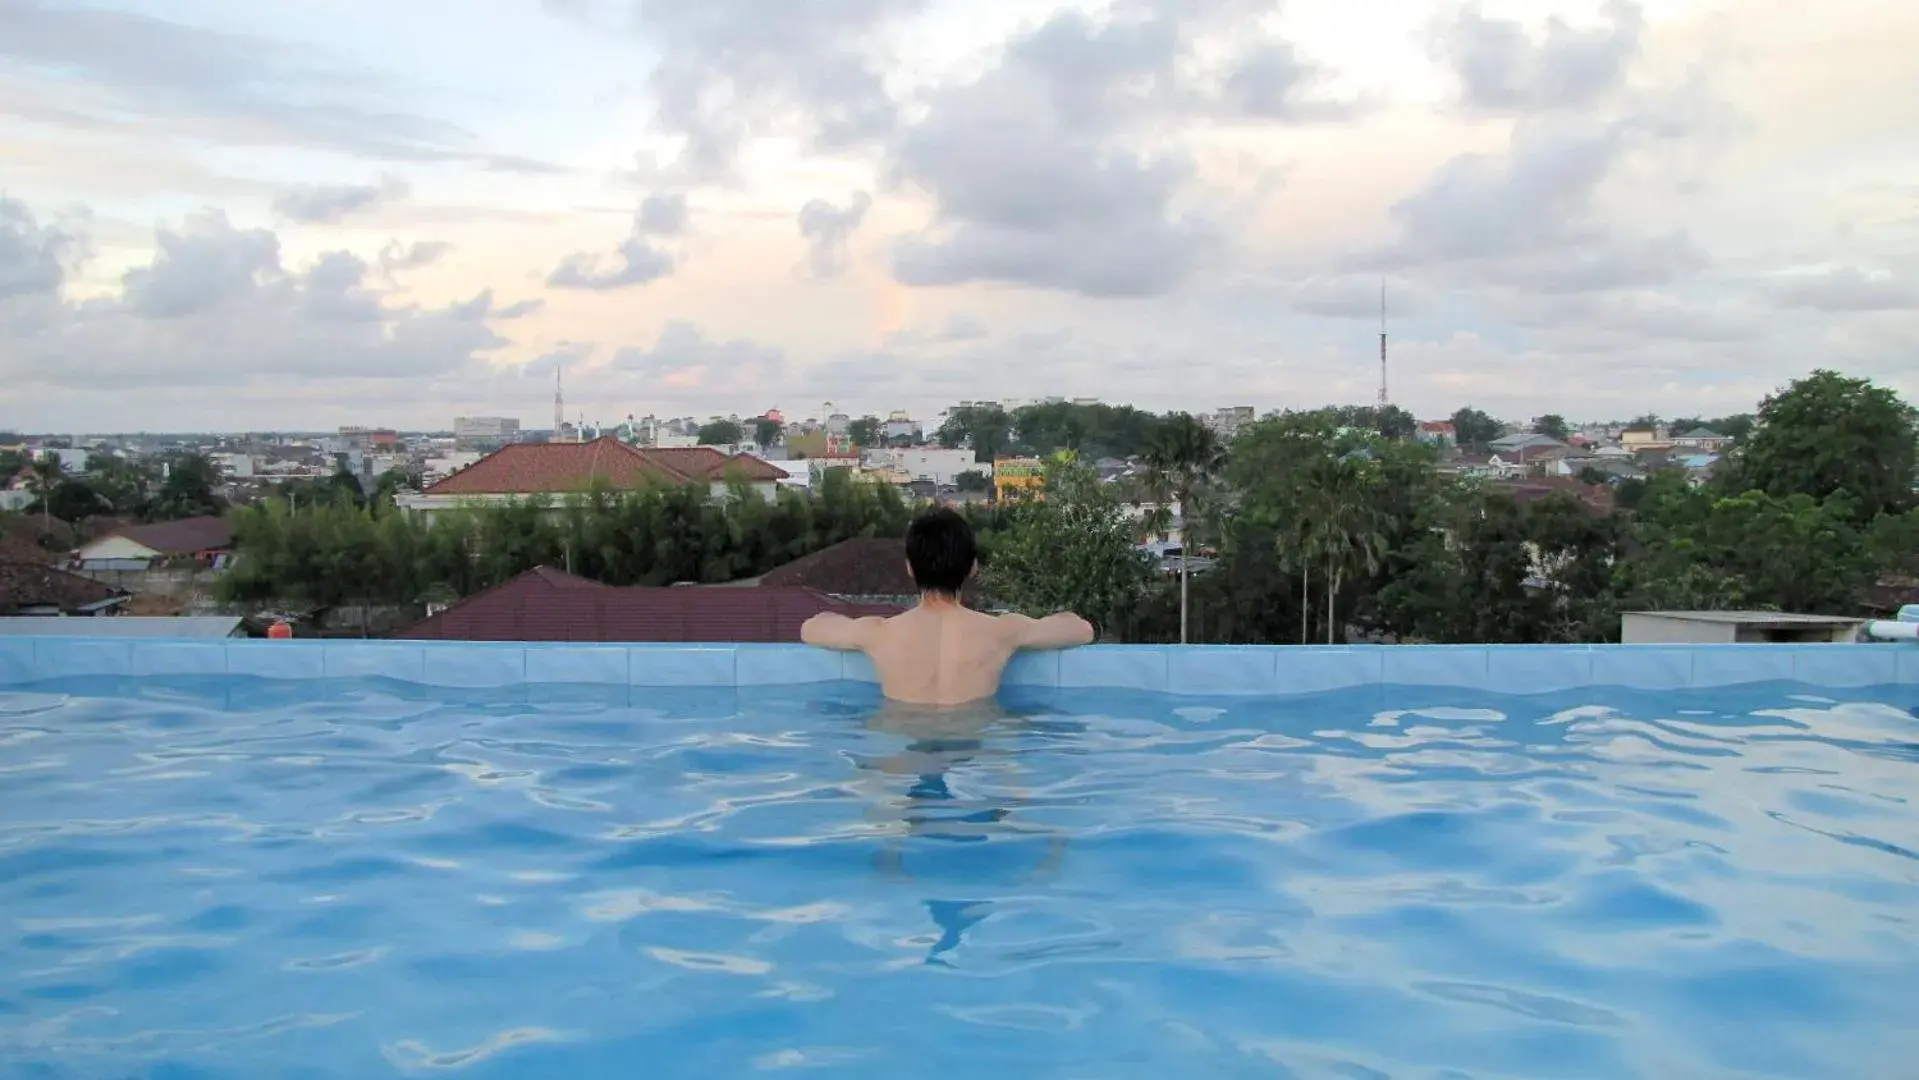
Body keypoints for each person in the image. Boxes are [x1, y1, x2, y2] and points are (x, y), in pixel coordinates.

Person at [800, 507, 1095, 704]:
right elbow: (1080, 629)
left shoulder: (877, 633)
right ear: (973, 568)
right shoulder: (1003, 630)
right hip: (976, 744)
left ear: (910, 569)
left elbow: (811, 628)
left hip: (902, 741)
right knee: (1011, 787)